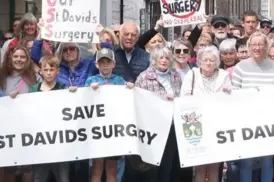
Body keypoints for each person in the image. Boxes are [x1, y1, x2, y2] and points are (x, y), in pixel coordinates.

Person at [232, 31, 274, 182]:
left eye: (261, 44)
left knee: (267, 161)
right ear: (249, 46)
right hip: (247, 121)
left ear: (266, 46)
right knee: (246, 161)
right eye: (254, 44)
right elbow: (235, 95)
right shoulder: (240, 67)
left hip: (269, 121)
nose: (257, 47)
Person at [180, 46, 232, 182]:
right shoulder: (192, 74)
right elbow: (183, 98)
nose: (208, 63)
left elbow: (230, 101)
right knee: (200, 167)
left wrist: (228, 92)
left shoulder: (223, 75)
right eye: (205, 60)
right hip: (197, 126)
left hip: (217, 126)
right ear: (199, 61)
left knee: (215, 165)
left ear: (217, 62)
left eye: (212, 60)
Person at [85, 48, 135, 182]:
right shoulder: (90, 81)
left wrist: (130, 87)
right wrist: (88, 90)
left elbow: (128, 98)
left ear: (113, 63)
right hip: (97, 132)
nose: (105, 65)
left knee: (112, 170)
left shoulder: (119, 80)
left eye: (108, 62)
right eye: (101, 62)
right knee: (96, 168)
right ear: (96, 65)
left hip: (114, 132)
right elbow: (82, 101)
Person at [133, 46, 182, 182]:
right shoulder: (143, 77)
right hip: (152, 129)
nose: (164, 60)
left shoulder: (175, 76)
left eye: (167, 58)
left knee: (167, 166)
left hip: (171, 127)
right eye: (161, 57)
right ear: (154, 60)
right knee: (152, 167)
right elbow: (138, 101)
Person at [28, 55, 76, 182]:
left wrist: (74, 95)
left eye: (52, 69)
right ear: (41, 71)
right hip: (41, 144)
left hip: (60, 144)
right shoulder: (33, 90)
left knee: (63, 178)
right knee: (39, 177)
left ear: (58, 71)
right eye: (46, 70)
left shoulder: (63, 88)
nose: (49, 73)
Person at [0, 44, 39, 182]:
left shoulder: (35, 77)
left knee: (28, 167)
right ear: (10, 58)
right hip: (7, 129)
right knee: (9, 168)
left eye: (22, 57)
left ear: (27, 59)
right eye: (15, 56)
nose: (19, 59)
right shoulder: (1, 78)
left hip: (29, 129)